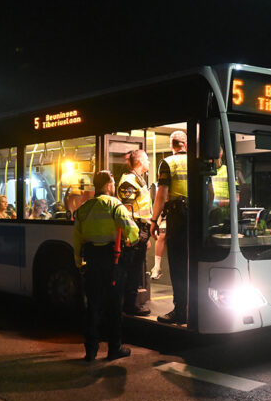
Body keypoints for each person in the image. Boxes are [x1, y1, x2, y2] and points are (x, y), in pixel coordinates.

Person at [74, 170, 139, 361]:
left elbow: (77, 239)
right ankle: (114, 348)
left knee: (93, 306)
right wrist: (131, 243)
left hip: (92, 261)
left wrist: (79, 263)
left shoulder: (83, 208)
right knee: (114, 306)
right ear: (109, 185)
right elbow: (131, 230)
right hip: (112, 262)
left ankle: (91, 350)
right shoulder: (114, 205)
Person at [150, 130, 188, 324]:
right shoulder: (196, 161)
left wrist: (154, 219)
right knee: (193, 265)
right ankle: (194, 309)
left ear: (172, 144)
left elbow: (161, 195)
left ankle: (180, 310)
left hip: (178, 219)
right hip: (196, 218)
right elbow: (210, 191)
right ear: (186, 145)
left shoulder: (167, 163)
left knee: (178, 266)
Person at [117, 149, 152, 316]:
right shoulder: (129, 182)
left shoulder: (138, 180)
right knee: (130, 269)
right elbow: (127, 210)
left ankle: (129, 304)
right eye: (146, 159)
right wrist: (134, 236)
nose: (149, 162)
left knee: (135, 269)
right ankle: (128, 305)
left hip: (140, 230)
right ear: (139, 162)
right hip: (134, 231)